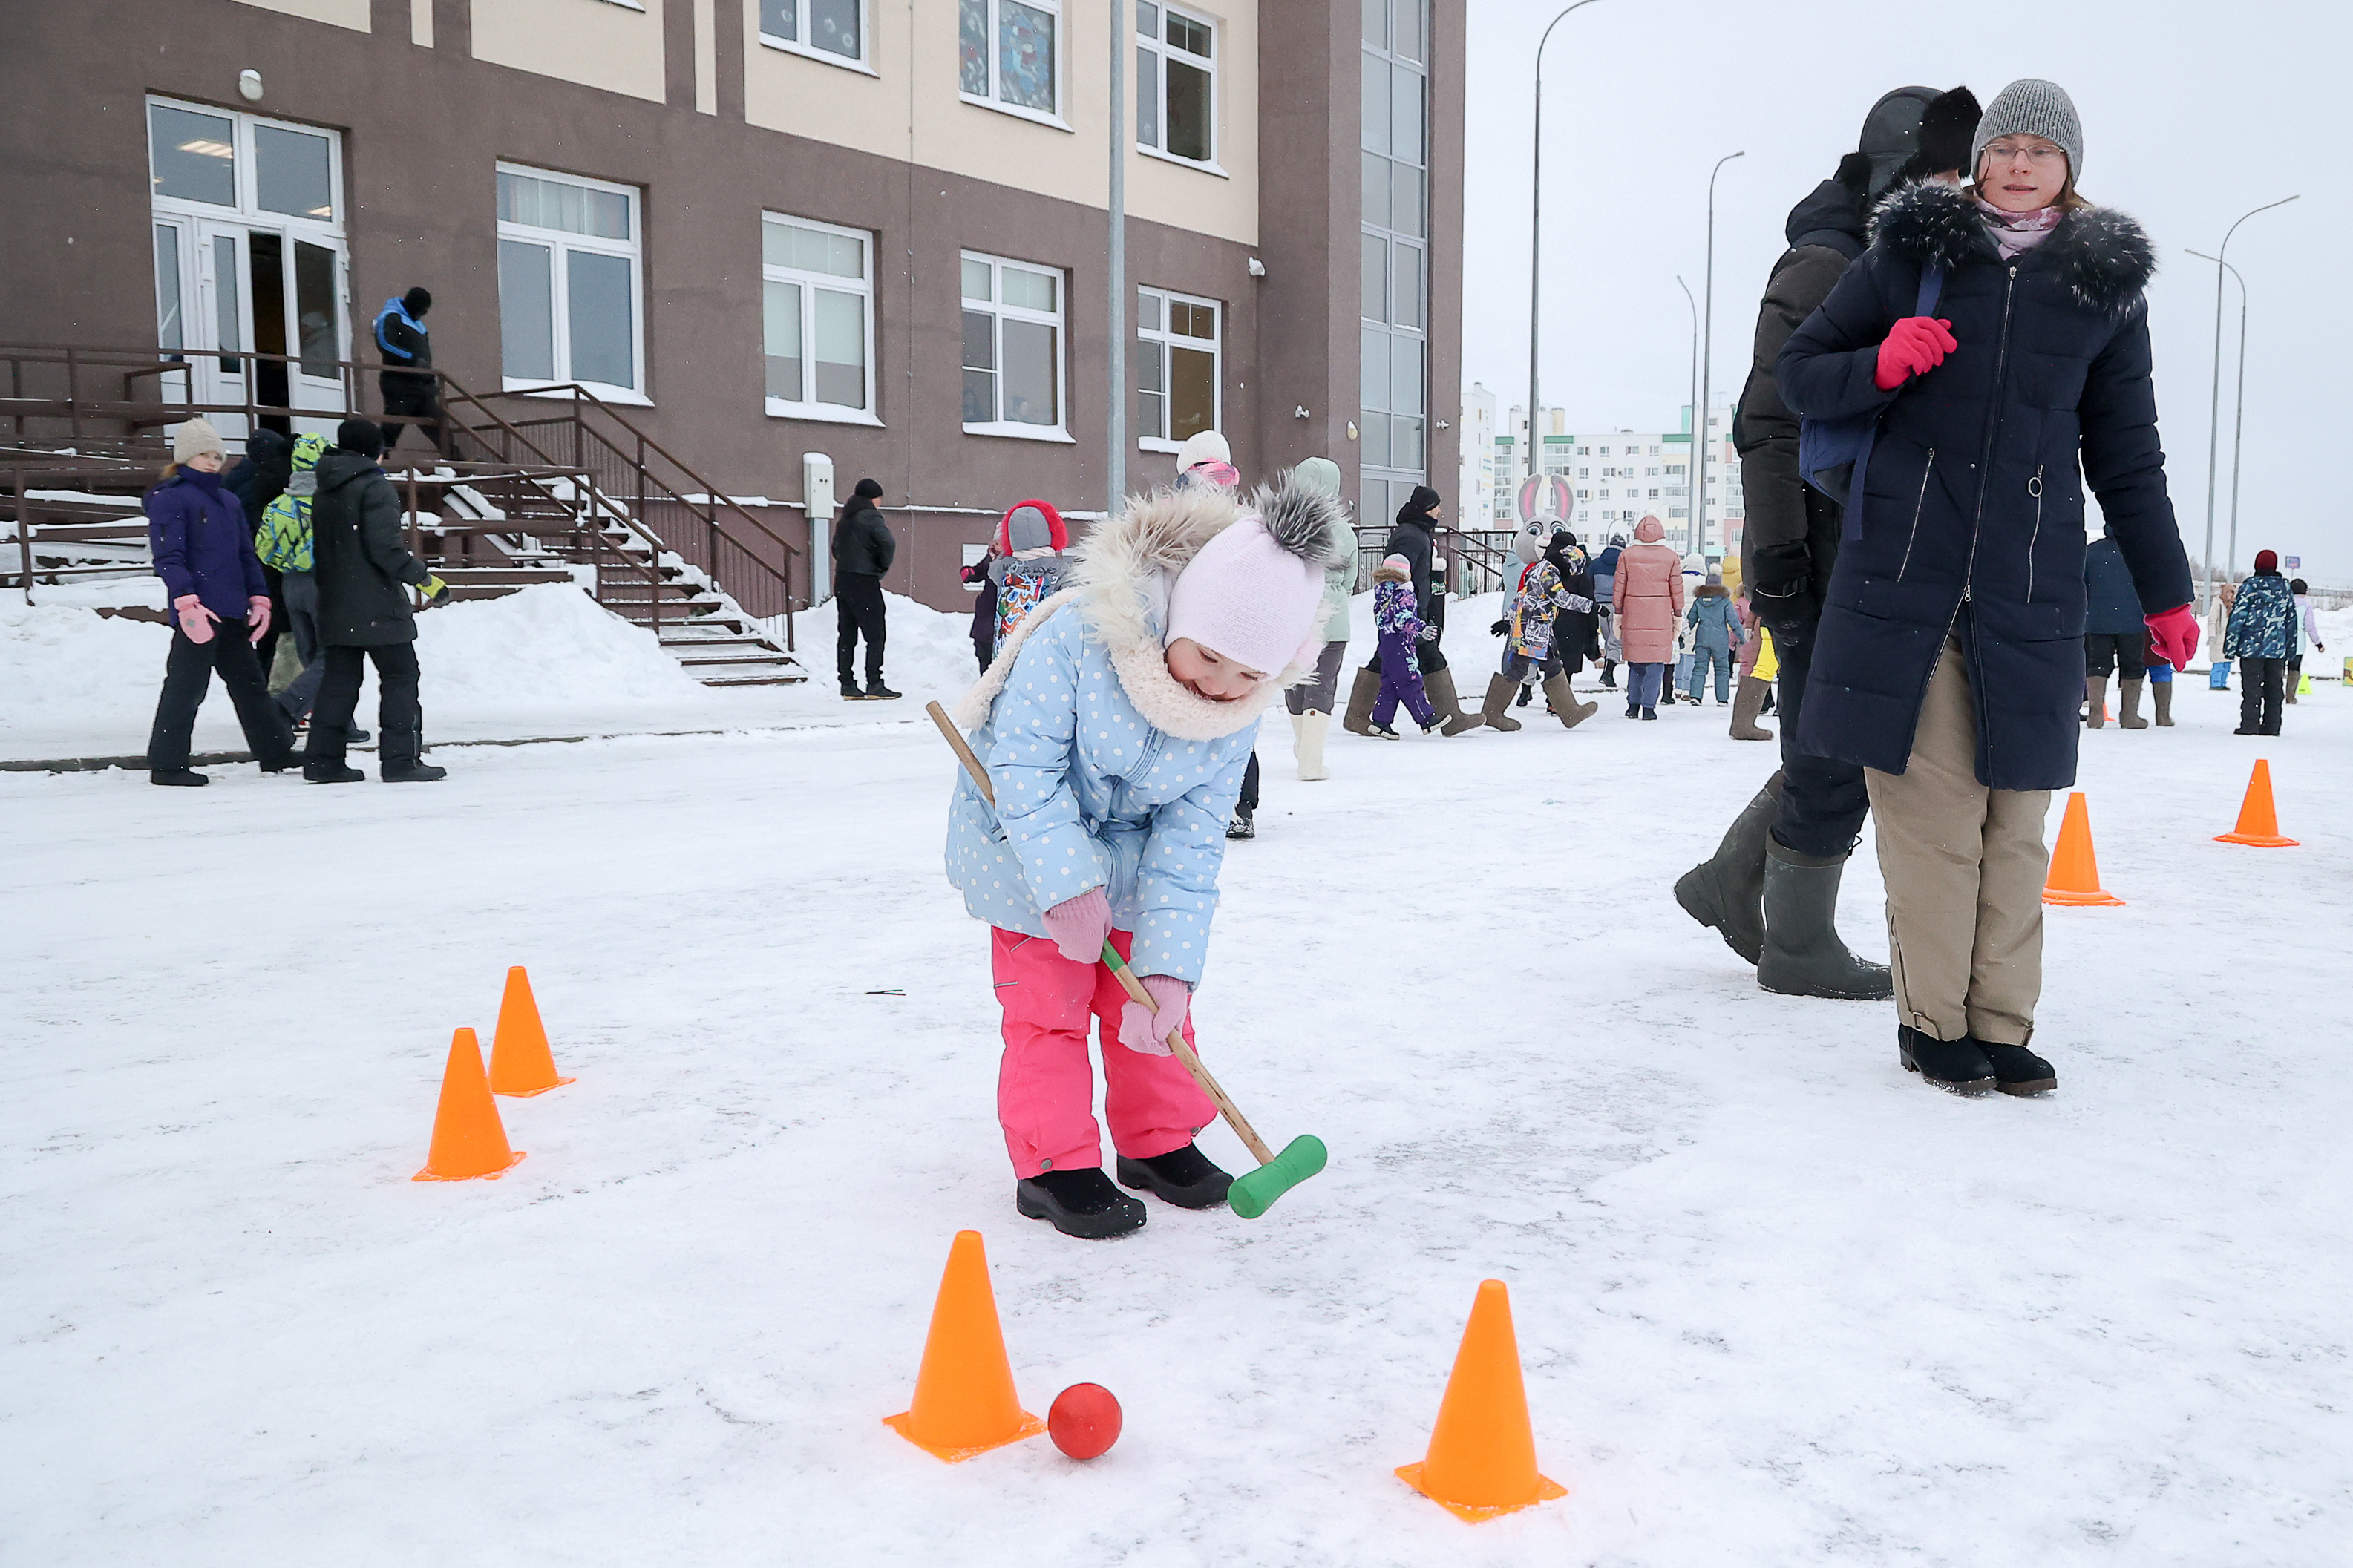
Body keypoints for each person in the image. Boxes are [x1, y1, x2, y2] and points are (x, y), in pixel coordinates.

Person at [1776, 79, 2198, 1095]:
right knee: (1933, 824)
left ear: (2068, 170)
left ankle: (2001, 1024)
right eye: (2003, 146)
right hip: (1904, 585)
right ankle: (1932, 1023)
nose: (2017, 164)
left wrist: (2165, 592)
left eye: (2039, 152)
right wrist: (1881, 361)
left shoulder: (2101, 290)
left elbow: (2127, 458)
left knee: (2014, 829)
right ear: (1977, 164)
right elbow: (1799, 375)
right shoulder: (1910, 252)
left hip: (2032, 590)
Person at [942, 478, 1346, 1239]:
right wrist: (1064, 885)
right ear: (1182, 615)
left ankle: (1157, 1142)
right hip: (1023, 848)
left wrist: (1169, 966)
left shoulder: (1233, 714)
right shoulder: (1078, 640)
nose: (1221, 686)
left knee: (1152, 1010)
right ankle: (1052, 1164)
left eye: (1249, 675)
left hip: (1130, 864)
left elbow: (1191, 844)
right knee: (1048, 1011)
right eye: (1211, 656)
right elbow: (1023, 773)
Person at [1678, 83, 1982, 1004]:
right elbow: (1764, 423)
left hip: (1867, 541)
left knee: (1832, 733)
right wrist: (1778, 565)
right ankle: (1796, 937)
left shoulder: (1900, 264)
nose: (1952, 189)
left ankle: (1731, 878)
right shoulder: (1824, 262)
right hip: (1813, 548)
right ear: (1892, 170)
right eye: (1938, 171)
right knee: (1835, 743)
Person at [142, 418, 300, 786]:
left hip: (231, 610)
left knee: (250, 685)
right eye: (203, 455)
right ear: (185, 457)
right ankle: (167, 764)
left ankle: (275, 752)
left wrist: (260, 597)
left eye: (217, 455)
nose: (212, 462)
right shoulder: (171, 497)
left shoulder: (228, 500)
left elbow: (247, 554)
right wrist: (185, 600)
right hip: (199, 611)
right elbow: (168, 557)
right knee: (186, 687)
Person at [301, 419, 451, 784]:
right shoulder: (374, 487)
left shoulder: (324, 489)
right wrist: (427, 581)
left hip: (335, 600)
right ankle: (401, 760)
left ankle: (323, 761)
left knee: (339, 681)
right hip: (377, 604)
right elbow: (386, 550)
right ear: (375, 451)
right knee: (400, 676)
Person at [253, 432, 364, 743]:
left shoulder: (279, 504)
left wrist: (291, 561)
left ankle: (341, 722)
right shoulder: (330, 501)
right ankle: (285, 708)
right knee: (334, 656)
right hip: (324, 585)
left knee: (311, 654)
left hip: (290, 587)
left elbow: (262, 548)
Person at [1344, 486, 1479, 735]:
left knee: (1388, 661)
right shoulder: (1411, 535)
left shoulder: (1418, 532)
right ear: (1426, 509)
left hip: (1411, 613)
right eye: (1437, 505)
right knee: (1421, 660)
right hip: (1406, 616)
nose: (1440, 510)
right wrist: (1406, 616)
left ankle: (1360, 716)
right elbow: (1394, 577)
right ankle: (1448, 718)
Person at [1282, 456, 1353, 781]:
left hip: (1293, 617)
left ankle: (1303, 746)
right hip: (1333, 620)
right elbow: (1349, 581)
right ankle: (1311, 759)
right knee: (1322, 686)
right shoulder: (1343, 532)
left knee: (1294, 681)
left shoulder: (1284, 525)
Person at [1485, 522, 1595, 730]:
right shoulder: (1548, 572)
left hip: (1539, 629)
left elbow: (1522, 596)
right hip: (1533, 630)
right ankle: (1493, 713)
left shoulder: (1542, 568)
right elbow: (1560, 598)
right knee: (1518, 668)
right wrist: (1592, 607)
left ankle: (1569, 712)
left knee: (1553, 665)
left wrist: (1508, 619)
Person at [224, 428, 292, 682]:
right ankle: (267, 687)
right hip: (264, 565)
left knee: (266, 628)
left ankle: (263, 684)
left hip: (245, 565)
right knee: (274, 629)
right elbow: (258, 529)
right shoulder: (261, 484)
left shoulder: (235, 480)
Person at [830, 478, 896, 700]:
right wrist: (880, 566)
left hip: (843, 580)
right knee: (876, 635)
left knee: (847, 634)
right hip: (864, 581)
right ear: (873, 497)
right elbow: (888, 542)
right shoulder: (870, 516)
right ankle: (875, 684)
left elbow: (836, 549)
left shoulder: (846, 518)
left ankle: (847, 684)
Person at [1611, 516, 1682, 718]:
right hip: (1660, 618)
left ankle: (1633, 706)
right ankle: (1649, 708)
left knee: (1636, 663)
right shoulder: (1671, 557)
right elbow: (1676, 591)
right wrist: (1677, 616)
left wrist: (1619, 614)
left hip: (1633, 616)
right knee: (1656, 665)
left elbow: (1619, 590)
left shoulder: (1627, 555)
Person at [2081, 528, 2150, 728]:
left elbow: (2081, 584)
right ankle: (2130, 716)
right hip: (2133, 620)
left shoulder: (2090, 552)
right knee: (2132, 666)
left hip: (2097, 620)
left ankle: (2095, 714)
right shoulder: (2138, 552)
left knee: (2097, 664)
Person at [2223, 551, 2297, 735]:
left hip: (2251, 649)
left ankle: (2249, 725)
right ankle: (2272, 726)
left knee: (2251, 688)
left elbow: (2238, 618)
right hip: (2276, 649)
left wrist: (2230, 648)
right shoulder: (2284, 588)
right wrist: (2291, 649)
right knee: (2274, 688)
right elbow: (2291, 620)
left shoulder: (2250, 586)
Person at [1368, 554, 1441, 738]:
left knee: (1391, 683)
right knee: (1409, 680)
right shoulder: (1403, 593)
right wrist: (1422, 628)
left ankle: (1381, 722)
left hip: (1386, 641)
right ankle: (1426, 719)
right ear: (1406, 573)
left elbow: (1384, 620)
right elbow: (1403, 619)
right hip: (1401, 642)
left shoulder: (1382, 592)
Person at [988, 499, 1073, 653]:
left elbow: (992, 569)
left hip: (1007, 650)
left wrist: (1004, 554)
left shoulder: (1002, 568)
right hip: (1045, 652)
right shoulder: (1060, 569)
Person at [373, 288, 442, 457]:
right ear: (414, 306)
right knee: (392, 428)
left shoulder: (419, 325)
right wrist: (412, 360)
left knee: (440, 427)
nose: (423, 314)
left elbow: (425, 355)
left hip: (423, 387)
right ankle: (373, 462)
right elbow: (385, 344)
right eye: (422, 309)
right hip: (399, 384)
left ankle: (460, 464)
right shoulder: (390, 316)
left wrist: (429, 377)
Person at [1685, 576, 1741, 706]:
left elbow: (1691, 620)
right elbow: (1733, 621)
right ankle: (1722, 699)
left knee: (1699, 667)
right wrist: (1741, 636)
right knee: (1722, 669)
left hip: (1702, 637)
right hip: (1720, 638)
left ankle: (1696, 696)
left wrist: (1683, 636)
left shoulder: (1699, 601)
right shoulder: (1725, 602)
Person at [1730, 592, 1774, 740]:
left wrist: (1750, 623)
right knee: (1801, 670)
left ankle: (1742, 725)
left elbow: (1759, 591)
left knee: (1763, 670)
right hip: (1793, 619)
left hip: (1770, 618)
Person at [1591, 534, 1625, 686]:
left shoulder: (1596, 564)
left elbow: (1588, 585)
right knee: (1615, 642)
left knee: (1607, 640)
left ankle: (1607, 671)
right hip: (1618, 608)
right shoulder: (1626, 565)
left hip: (1599, 608)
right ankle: (1608, 673)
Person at [960, 547, 999, 675]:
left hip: (1005, 609)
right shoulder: (991, 557)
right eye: (996, 541)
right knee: (983, 649)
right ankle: (986, 681)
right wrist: (969, 573)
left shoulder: (1015, 559)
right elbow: (978, 572)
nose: (996, 544)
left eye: (1000, 541)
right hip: (987, 611)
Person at [2287, 577, 2324, 703]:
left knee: (2278, 667)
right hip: (2298, 640)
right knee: (2294, 668)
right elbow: (2310, 626)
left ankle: (2275, 694)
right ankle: (2290, 696)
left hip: (2282, 638)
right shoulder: (2306, 605)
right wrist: (2318, 643)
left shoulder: (2285, 602)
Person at [2205, 580, 2237, 690]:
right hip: (2219, 637)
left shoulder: (2233, 605)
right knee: (2219, 662)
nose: (2230, 595)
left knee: (2227, 663)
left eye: (2232, 593)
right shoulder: (2218, 604)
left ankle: (2223, 682)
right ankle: (2216, 683)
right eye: (2228, 593)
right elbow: (2212, 620)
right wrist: (2212, 635)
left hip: (2229, 638)